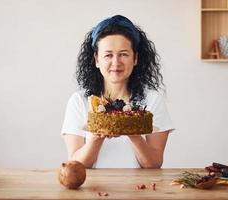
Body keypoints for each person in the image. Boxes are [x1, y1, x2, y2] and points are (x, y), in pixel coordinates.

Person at [61, 15, 174, 168]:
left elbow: (154, 163)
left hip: (140, 190)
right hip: (92, 190)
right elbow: (74, 165)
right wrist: (96, 138)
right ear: (96, 60)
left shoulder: (152, 100)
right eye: (108, 55)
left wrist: (133, 131)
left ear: (135, 59)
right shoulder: (79, 101)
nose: (116, 62)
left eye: (123, 54)